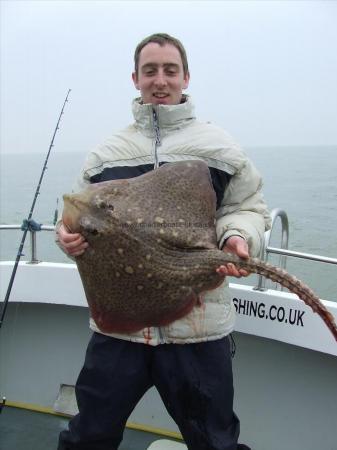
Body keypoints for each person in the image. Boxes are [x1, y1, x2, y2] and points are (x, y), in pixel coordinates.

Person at [56, 33, 271, 450]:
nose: (160, 79)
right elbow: (74, 213)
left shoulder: (218, 147)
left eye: (170, 70)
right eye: (150, 70)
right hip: (119, 330)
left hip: (198, 327)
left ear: (185, 77)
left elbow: (248, 207)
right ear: (135, 78)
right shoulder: (105, 154)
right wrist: (64, 235)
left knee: (214, 442)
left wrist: (237, 239)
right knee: (89, 436)